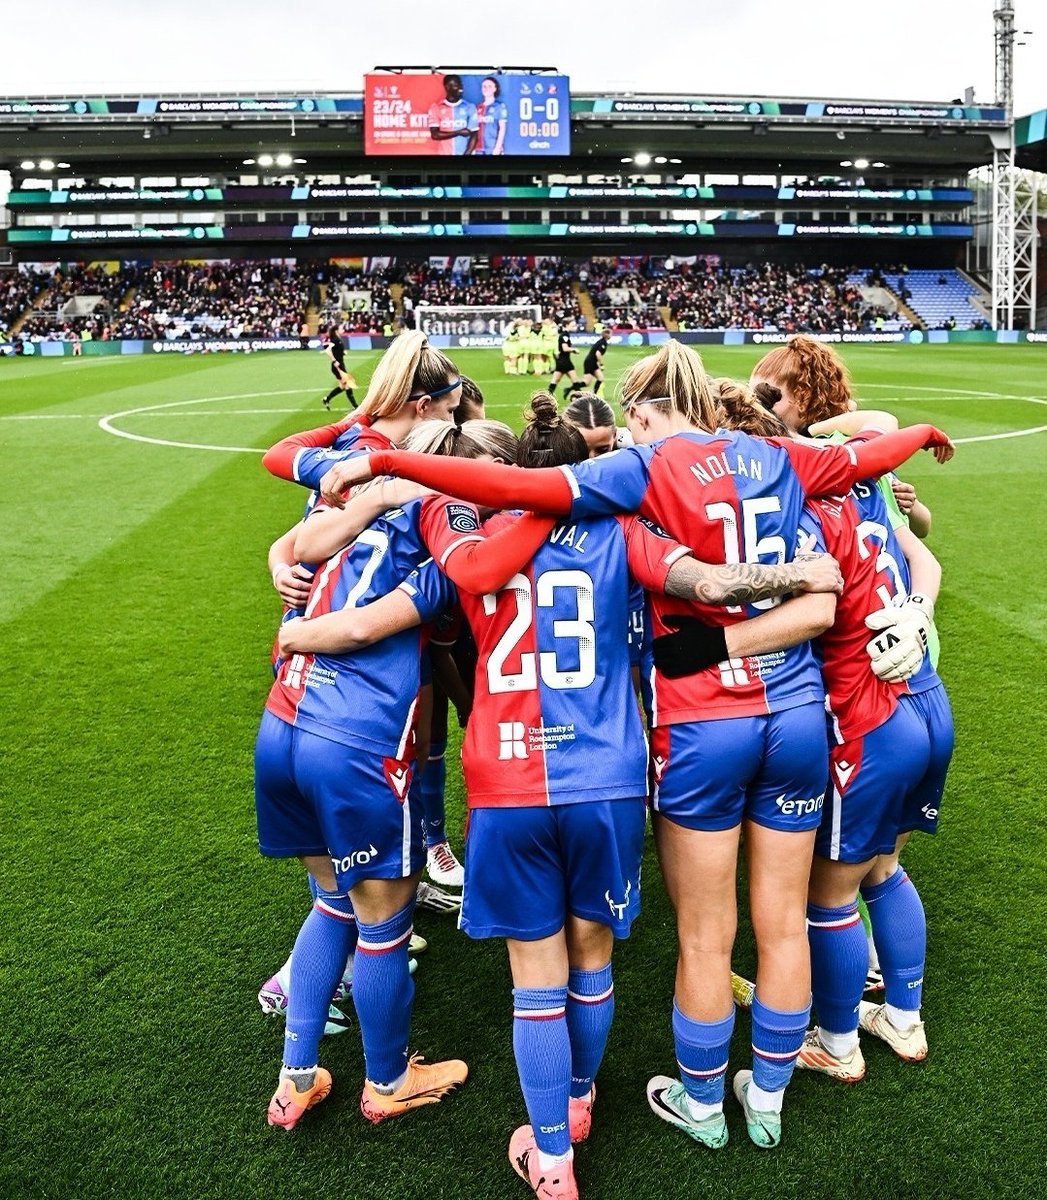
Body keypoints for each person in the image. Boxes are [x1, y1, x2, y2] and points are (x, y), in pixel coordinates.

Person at [313, 342, 953, 1151]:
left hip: (697, 724)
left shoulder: (639, 476)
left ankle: (698, 1101)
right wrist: (920, 431)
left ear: (646, 413)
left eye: (634, 420)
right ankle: (768, 1098)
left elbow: (513, 488)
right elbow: (865, 448)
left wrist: (402, 474)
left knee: (703, 934)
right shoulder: (777, 455)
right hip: (793, 711)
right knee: (784, 920)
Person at [410, 393, 844, 1198]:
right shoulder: (625, 531)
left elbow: (415, 591)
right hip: (609, 775)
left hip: (507, 780)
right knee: (596, 959)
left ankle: (554, 1157)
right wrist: (796, 572)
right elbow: (709, 583)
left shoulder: (454, 529)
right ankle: (594, 1098)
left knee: (535, 979)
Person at [258, 418, 551, 1133]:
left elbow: (295, 545)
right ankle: (387, 1080)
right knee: (381, 925)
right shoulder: (443, 523)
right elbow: (425, 598)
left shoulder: (363, 493)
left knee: (331, 901)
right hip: (353, 743)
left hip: (281, 722)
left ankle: (296, 1078)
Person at [563, 392, 633, 458]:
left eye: (603, 450)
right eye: (581, 451)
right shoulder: (555, 452)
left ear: (614, 435)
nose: (592, 458)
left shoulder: (633, 443)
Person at [428, 74, 479, 156]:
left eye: (460, 85)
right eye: (456, 85)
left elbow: (474, 135)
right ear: (447, 87)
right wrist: (458, 132)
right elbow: (435, 135)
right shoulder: (436, 107)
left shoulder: (469, 107)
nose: (460, 89)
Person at [321, 324, 357, 411]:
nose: (343, 329)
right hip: (337, 366)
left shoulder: (338, 340)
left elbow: (337, 350)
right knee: (347, 384)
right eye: (341, 328)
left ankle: (327, 399)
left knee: (342, 386)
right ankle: (355, 406)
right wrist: (334, 361)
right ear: (336, 330)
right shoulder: (335, 340)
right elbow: (328, 351)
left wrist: (343, 353)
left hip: (340, 365)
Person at [475, 75, 508, 155]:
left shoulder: (499, 106)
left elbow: (502, 128)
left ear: (495, 89)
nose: (486, 88)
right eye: (484, 86)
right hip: (478, 148)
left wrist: (497, 147)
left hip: (492, 148)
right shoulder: (477, 107)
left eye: (489, 86)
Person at [549, 325, 582, 399]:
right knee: (575, 380)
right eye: (573, 325)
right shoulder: (565, 335)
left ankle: (547, 397)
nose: (575, 327)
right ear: (567, 325)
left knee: (555, 380)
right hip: (565, 361)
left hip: (561, 360)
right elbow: (565, 348)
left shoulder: (564, 334)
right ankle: (581, 399)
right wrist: (574, 350)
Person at [582, 330, 610, 395]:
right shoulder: (603, 343)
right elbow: (598, 354)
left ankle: (594, 394)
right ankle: (572, 388)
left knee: (600, 378)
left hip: (592, 362)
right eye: (610, 334)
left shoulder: (602, 341)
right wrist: (601, 364)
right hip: (590, 362)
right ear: (607, 335)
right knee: (587, 383)